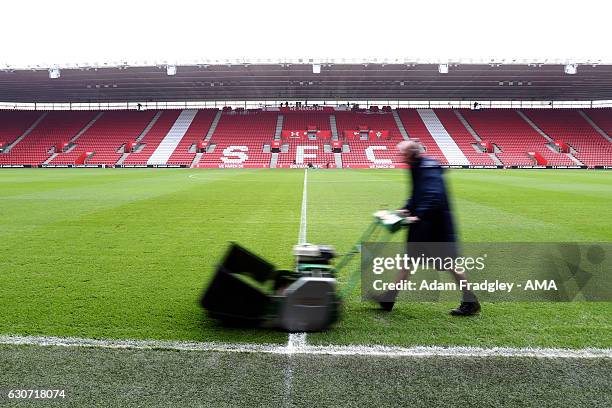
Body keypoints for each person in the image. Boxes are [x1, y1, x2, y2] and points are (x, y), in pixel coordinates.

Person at [374, 140, 481, 316]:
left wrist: (418, 215)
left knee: (450, 264)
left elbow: (434, 196)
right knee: (408, 261)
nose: (398, 156)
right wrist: (406, 208)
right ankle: (389, 299)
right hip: (424, 226)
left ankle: (471, 301)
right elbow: (418, 194)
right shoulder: (417, 167)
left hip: (435, 227)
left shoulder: (427, 168)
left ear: (410, 154)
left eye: (401, 153)